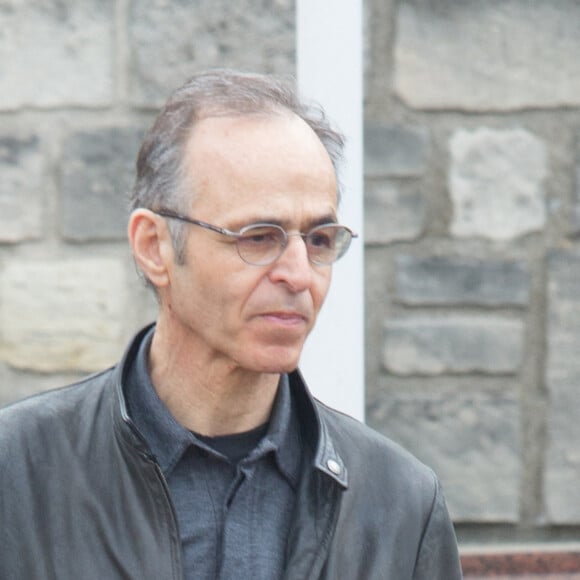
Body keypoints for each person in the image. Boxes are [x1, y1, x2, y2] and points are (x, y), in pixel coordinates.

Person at [0, 69, 462, 579]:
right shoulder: (18, 476)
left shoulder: (400, 507)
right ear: (154, 247)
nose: (298, 273)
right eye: (258, 236)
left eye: (320, 239)